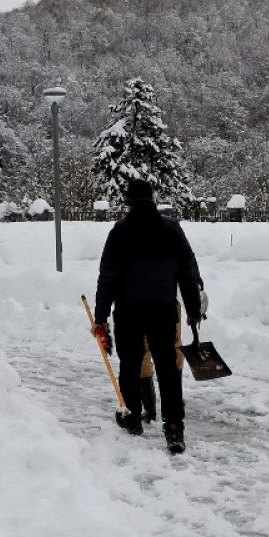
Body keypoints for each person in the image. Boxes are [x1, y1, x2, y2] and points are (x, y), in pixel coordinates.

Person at [92, 178, 204, 455]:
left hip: (129, 310)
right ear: (153, 201)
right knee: (167, 368)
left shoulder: (119, 231)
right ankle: (174, 428)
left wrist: (101, 315)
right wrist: (192, 309)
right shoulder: (171, 229)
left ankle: (132, 417)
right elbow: (187, 271)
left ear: (128, 204)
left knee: (130, 363)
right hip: (163, 309)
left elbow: (108, 276)